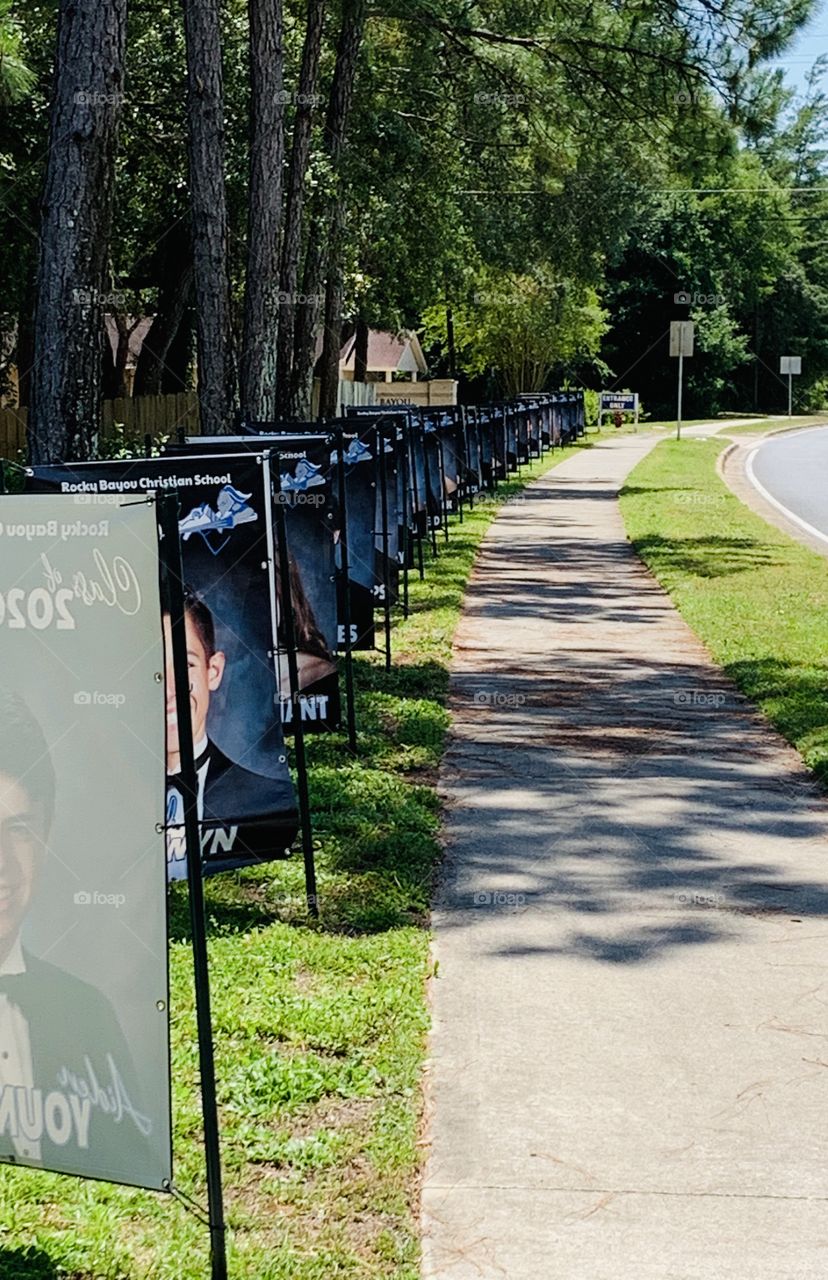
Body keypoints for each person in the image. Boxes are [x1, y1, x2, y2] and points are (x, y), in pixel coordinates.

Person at [0, 690, 158, 1185]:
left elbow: (133, 1159)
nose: (3, 865)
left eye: (19, 829)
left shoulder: (87, 1014)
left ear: (46, 835)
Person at [163, 588, 298, 879]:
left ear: (213, 671)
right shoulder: (96, 806)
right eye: (152, 670)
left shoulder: (261, 800)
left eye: (186, 666)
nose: (168, 690)